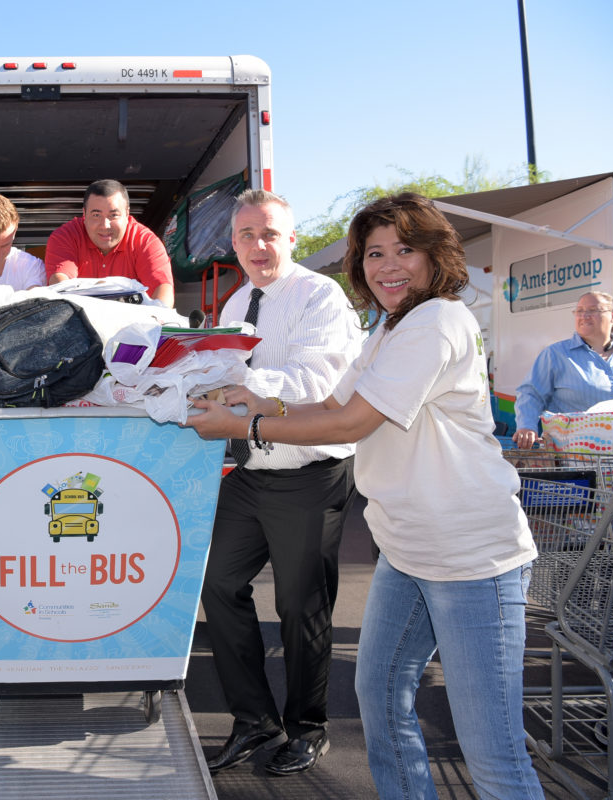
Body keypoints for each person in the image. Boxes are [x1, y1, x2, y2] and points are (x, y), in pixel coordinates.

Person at [187, 193, 544, 798]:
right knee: (378, 702)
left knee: (494, 755)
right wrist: (263, 403)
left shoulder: (437, 321)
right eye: (375, 252)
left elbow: (351, 423)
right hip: (406, 553)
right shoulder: (390, 327)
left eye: (405, 249)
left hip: (469, 558)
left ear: (436, 255)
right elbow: (327, 403)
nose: (388, 265)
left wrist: (246, 425)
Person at [196, 189, 362, 776]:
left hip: (310, 473)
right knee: (215, 584)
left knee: (301, 605)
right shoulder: (238, 303)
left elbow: (322, 375)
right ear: (233, 243)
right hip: (252, 470)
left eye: (269, 234)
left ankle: (308, 725)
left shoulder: (322, 295)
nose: (258, 245)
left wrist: (247, 389)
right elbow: (221, 372)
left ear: (291, 239)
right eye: (246, 235)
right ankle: (254, 720)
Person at [512, 290, 613, 448]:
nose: (584, 316)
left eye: (592, 310)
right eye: (580, 311)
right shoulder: (556, 354)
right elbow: (531, 393)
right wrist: (527, 425)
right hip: (575, 455)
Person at [45, 179, 175, 306]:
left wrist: (158, 317)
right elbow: (60, 285)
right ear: (84, 214)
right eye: (96, 215)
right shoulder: (65, 236)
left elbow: (163, 291)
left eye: (113, 215)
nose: (105, 225)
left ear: (127, 213)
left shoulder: (146, 242)